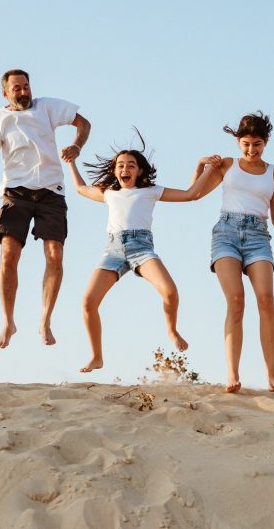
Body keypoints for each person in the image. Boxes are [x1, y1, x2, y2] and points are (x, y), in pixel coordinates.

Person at [66, 136, 218, 373]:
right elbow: (80, 188)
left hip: (141, 248)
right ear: (115, 171)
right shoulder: (108, 192)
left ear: (138, 171)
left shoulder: (150, 191)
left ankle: (172, 330)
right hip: (113, 250)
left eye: (130, 165)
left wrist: (204, 167)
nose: (125, 168)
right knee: (88, 302)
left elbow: (191, 194)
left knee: (170, 291)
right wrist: (71, 162)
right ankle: (97, 356)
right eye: (120, 165)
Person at [194, 112, 274, 393]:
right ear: (238, 142)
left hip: (259, 235)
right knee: (235, 299)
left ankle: (272, 375)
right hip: (226, 234)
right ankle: (232, 375)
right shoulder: (227, 166)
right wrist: (201, 165)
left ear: (265, 143)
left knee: (266, 300)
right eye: (245, 144)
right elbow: (195, 192)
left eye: (257, 144)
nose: (251, 150)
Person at [0, 69, 91, 349]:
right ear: (5, 92)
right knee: (8, 256)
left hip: (50, 192)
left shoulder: (47, 107)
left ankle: (45, 319)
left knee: (55, 256)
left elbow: (84, 123)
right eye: (16, 88)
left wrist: (76, 146)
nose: (23, 92)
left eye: (26, 86)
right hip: (15, 193)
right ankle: (8, 321)